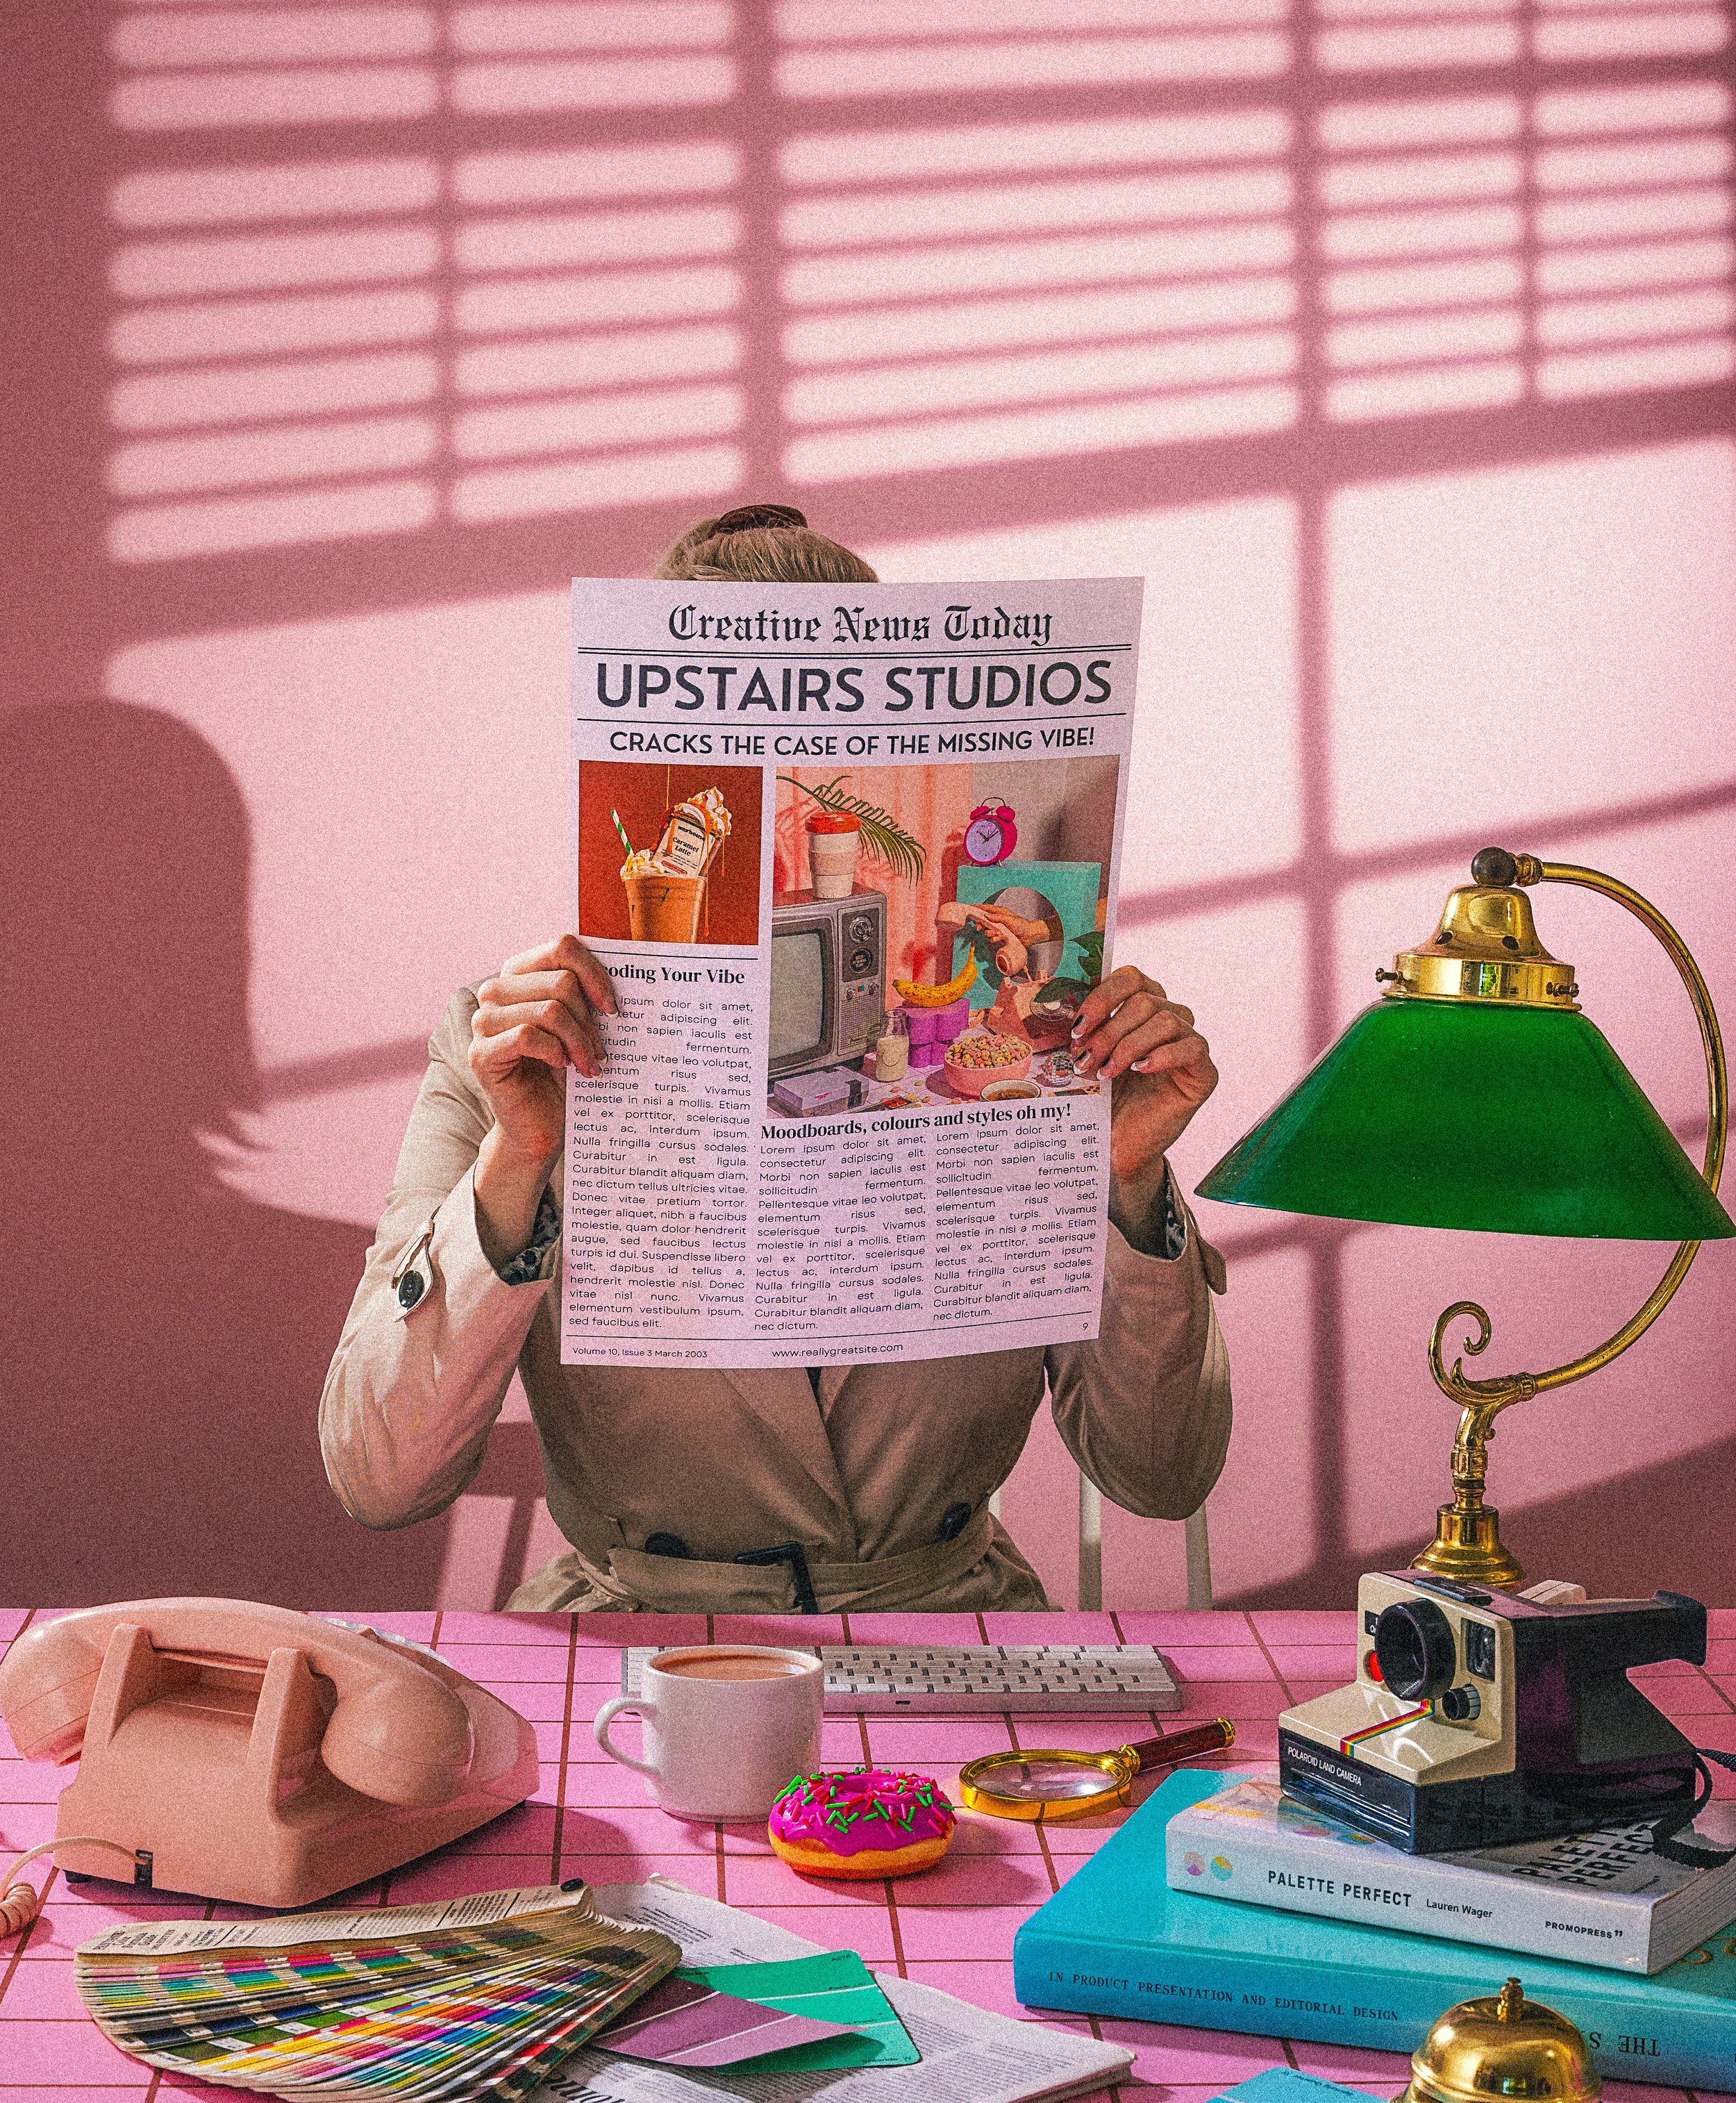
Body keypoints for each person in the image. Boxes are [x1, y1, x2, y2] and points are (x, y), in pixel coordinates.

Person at [320, 507, 1230, 1614]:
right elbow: (380, 1479)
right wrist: (517, 1164)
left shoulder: (1004, 1047)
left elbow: (1162, 1475)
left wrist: (1126, 1181)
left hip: (946, 1621)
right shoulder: (509, 1043)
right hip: (640, 1633)